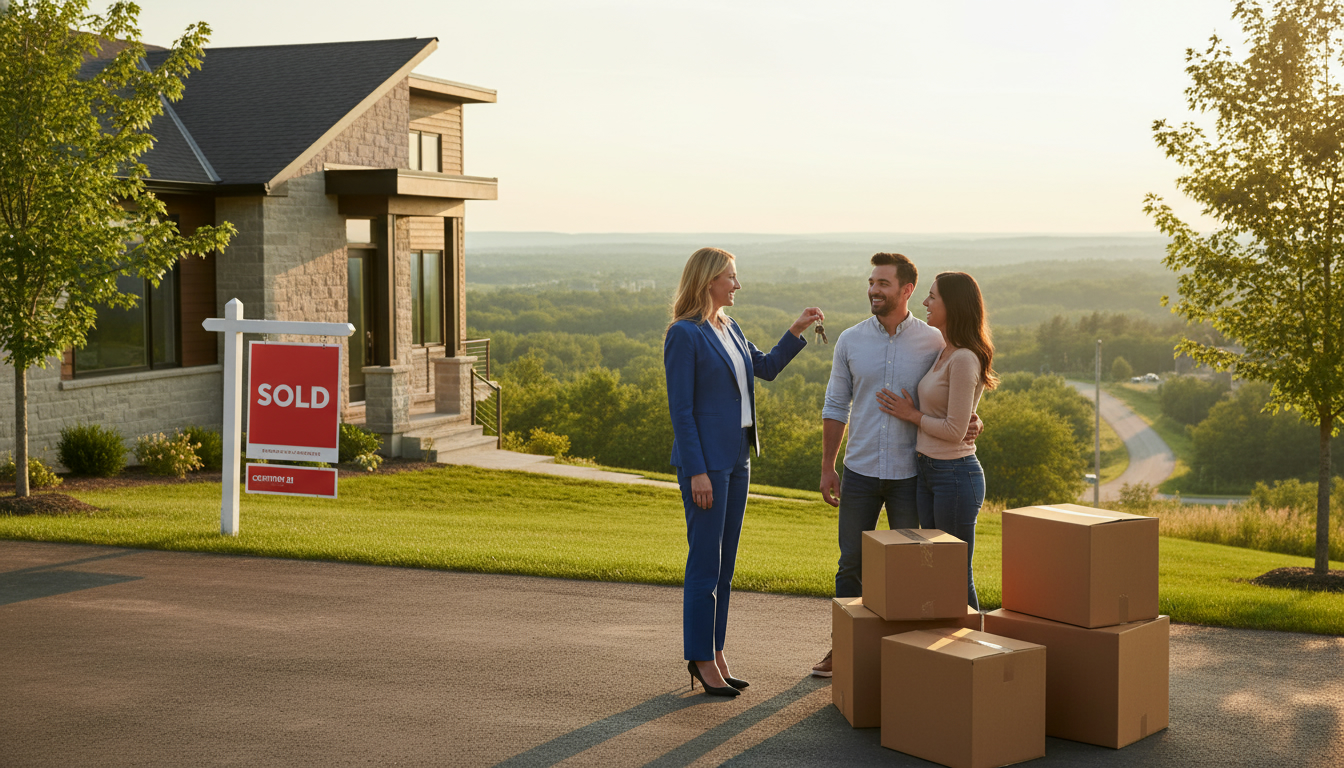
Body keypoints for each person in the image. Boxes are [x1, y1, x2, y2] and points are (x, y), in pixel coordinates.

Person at [810, 253, 979, 678]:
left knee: (914, 571)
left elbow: (961, 388)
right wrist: (829, 467)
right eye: (871, 282)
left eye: (883, 283)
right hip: (860, 472)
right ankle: (843, 649)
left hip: (914, 476)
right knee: (851, 565)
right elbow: (835, 405)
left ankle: (908, 655)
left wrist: (975, 421)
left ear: (906, 290)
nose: (874, 290)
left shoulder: (934, 340)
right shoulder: (850, 340)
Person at [664, 246, 823, 697]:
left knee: (726, 564)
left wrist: (796, 329)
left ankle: (714, 650)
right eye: (731, 277)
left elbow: (766, 368)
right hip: (706, 465)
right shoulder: (684, 334)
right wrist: (696, 471)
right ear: (708, 280)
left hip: (739, 457)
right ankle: (698, 656)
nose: (737, 285)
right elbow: (682, 411)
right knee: (704, 564)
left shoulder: (728, 326)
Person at [877, 271, 997, 613]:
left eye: (933, 297)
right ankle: (947, 652)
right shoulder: (945, 351)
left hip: (955, 476)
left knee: (955, 572)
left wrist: (910, 414)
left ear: (953, 305)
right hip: (930, 471)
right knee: (937, 571)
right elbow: (961, 419)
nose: (925, 303)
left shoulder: (963, 359)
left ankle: (977, 651)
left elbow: (954, 431)